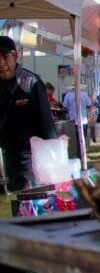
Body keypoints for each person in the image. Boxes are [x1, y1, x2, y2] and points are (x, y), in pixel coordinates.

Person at [0, 36, 57, 189]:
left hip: (32, 157)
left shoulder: (31, 82)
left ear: (15, 55)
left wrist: (53, 156)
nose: (1, 63)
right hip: (9, 156)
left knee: (31, 200)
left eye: (5, 57)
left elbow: (47, 124)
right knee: (17, 201)